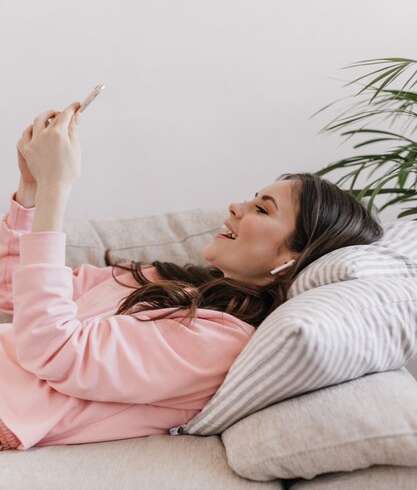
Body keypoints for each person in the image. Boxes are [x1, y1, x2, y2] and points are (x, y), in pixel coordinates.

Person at [0, 103, 383, 451]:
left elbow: (53, 351)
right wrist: (31, 186)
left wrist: (56, 189)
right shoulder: (167, 281)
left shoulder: (218, 340)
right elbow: (12, 289)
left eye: (261, 210)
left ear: (295, 257)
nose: (235, 207)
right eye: (251, 199)